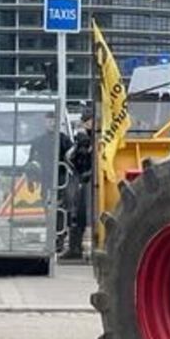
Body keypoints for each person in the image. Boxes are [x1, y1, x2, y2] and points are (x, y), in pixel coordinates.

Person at [26, 111, 72, 256]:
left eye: (54, 120)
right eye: (49, 120)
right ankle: (53, 238)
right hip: (46, 181)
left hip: (61, 181)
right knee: (48, 211)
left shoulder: (64, 140)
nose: (51, 123)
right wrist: (30, 180)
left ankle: (59, 239)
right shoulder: (38, 142)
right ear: (45, 122)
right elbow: (31, 162)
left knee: (59, 211)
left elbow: (72, 159)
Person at [64, 111, 95, 262]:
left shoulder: (91, 138)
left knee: (84, 214)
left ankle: (78, 248)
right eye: (87, 121)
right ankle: (74, 248)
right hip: (83, 179)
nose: (89, 124)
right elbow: (74, 157)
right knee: (77, 213)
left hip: (88, 179)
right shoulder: (83, 139)